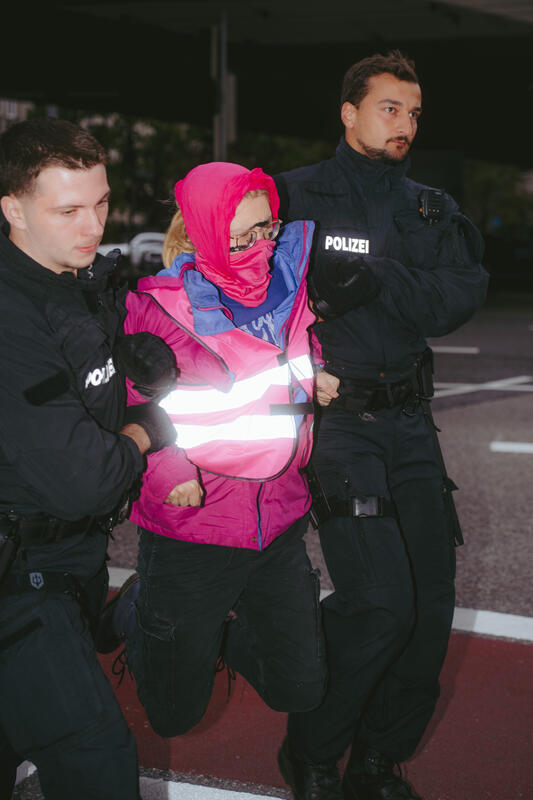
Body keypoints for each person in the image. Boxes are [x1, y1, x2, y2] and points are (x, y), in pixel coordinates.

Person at [273, 50, 489, 800]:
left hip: (410, 423)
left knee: (429, 607)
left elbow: (456, 296)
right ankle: (310, 752)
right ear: (348, 111)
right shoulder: (293, 197)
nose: (404, 123)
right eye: (389, 107)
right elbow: (248, 295)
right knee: (377, 603)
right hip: (340, 425)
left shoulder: (429, 205)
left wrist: (378, 281)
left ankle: (375, 759)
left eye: (414, 112)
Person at [97, 161, 329, 741]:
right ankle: (134, 608)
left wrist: (318, 378)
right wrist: (166, 470)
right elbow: (125, 403)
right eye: (242, 234)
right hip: (191, 528)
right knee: (174, 716)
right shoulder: (157, 307)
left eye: (268, 229)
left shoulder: (291, 288)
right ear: (203, 232)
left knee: (299, 689)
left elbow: (292, 364)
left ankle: (216, 623)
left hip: (277, 520)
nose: (260, 247)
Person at [0, 118, 177, 800]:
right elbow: (84, 479)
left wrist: (136, 371)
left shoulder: (76, 281)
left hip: (65, 566)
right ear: (13, 208)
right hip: (22, 579)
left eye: (100, 202)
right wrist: (145, 429)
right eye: (68, 209)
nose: (92, 224)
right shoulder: (12, 313)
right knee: (96, 761)